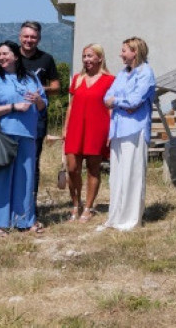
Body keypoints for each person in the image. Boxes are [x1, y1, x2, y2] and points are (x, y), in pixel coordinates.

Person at [0, 40, 47, 236]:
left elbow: (42, 107)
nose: (2, 57)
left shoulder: (31, 78)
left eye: (5, 53)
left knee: (24, 181)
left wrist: (38, 100)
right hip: (1, 136)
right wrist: (13, 107)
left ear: (16, 56)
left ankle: (24, 221)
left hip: (26, 135)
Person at [100, 36, 156, 231]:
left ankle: (131, 220)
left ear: (135, 51)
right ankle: (115, 217)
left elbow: (135, 101)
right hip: (118, 128)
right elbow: (108, 96)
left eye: (124, 50)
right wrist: (119, 101)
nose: (120, 54)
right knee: (117, 175)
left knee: (132, 173)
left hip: (135, 128)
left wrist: (117, 101)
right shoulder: (123, 73)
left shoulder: (146, 74)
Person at [62, 43, 114, 223]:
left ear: (100, 58)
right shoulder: (77, 78)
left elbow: (111, 108)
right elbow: (71, 105)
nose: (86, 60)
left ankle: (88, 207)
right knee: (72, 168)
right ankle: (75, 204)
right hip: (76, 128)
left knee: (93, 169)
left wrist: (111, 132)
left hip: (97, 128)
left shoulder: (110, 80)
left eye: (90, 56)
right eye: (84, 56)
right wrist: (65, 128)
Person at [18, 20, 60, 216]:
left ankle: (30, 204)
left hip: (37, 118)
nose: (29, 40)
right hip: (13, 118)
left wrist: (39, 90)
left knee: (32, 161)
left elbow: (57, 87)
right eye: (26, 36)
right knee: (11, 159)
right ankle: (12, 203)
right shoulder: (11, 56)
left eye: (33, 37)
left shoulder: (46, 59)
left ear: (39, 38)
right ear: (20, 37)